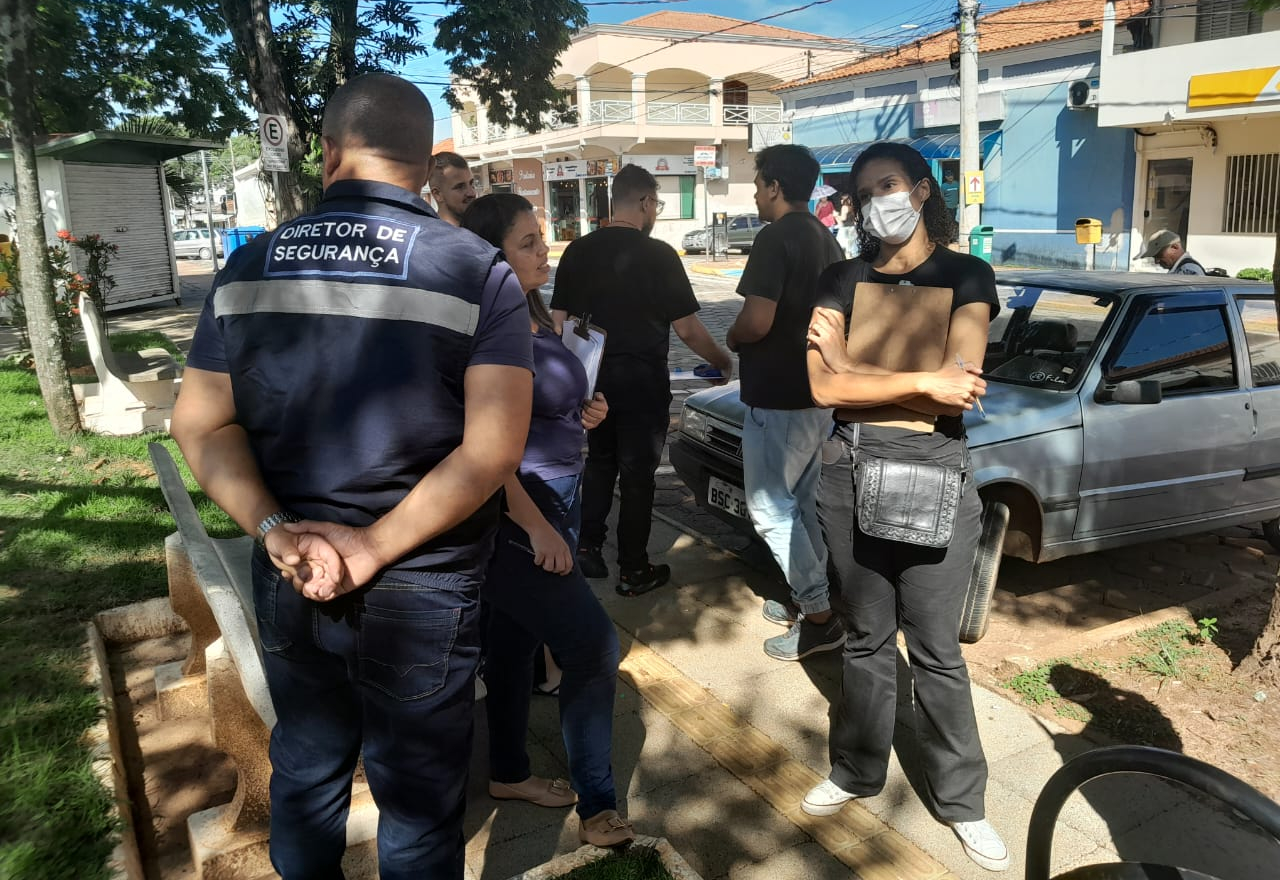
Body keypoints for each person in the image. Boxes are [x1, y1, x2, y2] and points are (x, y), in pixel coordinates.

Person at [171, 73, 535, 880]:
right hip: (425, 582)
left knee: (305, 771)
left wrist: (275, 531)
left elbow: (199, 423)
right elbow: (492, 451)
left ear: (329, 152)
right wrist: (371, 548)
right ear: (423, 160)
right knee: (418, 801)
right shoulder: (476, 270)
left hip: (293, 570)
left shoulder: (249, 267)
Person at [799, 141, 1009, 872]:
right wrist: (898, 381)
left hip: (933, 473)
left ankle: (964, 802)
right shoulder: (840, 276)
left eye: (888, 184)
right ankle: (856, 771)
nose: (876, 200)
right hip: (846, 471)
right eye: (863, 192)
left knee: (937, 650)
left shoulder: (964, 273)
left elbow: (961, 383)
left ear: (921, 190)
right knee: (863, 638)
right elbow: (823, 393)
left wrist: (853, 364)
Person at [461, 193, 635, 847]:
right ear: (492, 255)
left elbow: (547, 402)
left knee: (509, 649)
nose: (544, 250)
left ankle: (508, 772)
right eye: (528, 242)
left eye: (541, 238)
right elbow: (480, 439)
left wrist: (583, 412)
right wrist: (532, 522)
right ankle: (599, 805)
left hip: (561, 495)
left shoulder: (527, 311)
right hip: (520, 508)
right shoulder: (484, 326)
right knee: (591, 648)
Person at [551, 164, 733, 595]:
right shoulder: (659, 256)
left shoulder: (577, 251)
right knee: (637, 475)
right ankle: (633, 569)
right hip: (642, 383)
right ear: (647, 202)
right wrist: (722, 361)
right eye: (657, 203)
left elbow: (560, 322)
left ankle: (587, 549)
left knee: (598, 462)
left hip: (592, 382)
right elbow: (688, 329)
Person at [726, 144, 845, 662]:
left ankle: (819, 617)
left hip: (777, 398)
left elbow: (756, 321)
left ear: (774, 186)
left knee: (771, 511)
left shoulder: (775, 237)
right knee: (803, 507)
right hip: (817, 396)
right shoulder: (828, 240)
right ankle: (810, 596)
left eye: (757, 184)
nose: (755, 193)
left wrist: (732, 340)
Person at [430, 151, 477, 225]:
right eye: (460, 187)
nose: (471, 193)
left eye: (471, 184)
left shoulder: (482, 230)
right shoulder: (431, 235)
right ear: (437, 194)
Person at [1138, 228, 1206, 274]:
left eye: (1159, 255)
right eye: (1155, 257)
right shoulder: (1180, 269)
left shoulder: (1188, 271)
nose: (1156, 261)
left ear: (1175, 247)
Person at [837, 193, 856, 257]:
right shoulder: (852, 206)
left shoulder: (844, 207)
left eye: (842, 199)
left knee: (843, 247)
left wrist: (836, 216)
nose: (841, 201)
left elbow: (843, 218)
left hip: (845, 228)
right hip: (853, 227)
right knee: (850, 247)